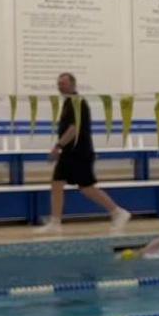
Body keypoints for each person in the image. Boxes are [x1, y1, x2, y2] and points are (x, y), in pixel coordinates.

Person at [37, 72, 131, 234]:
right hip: (69, 152)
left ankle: (118, 212)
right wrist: (61, 148)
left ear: (73, 85)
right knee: (57, 183)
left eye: (64, 83)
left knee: (87, 188)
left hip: (80, 152)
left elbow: (74, 129)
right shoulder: (68, 102)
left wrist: (58, 146)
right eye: (59, 83)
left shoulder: (78, 103)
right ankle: (55, 222)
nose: (60, 86)